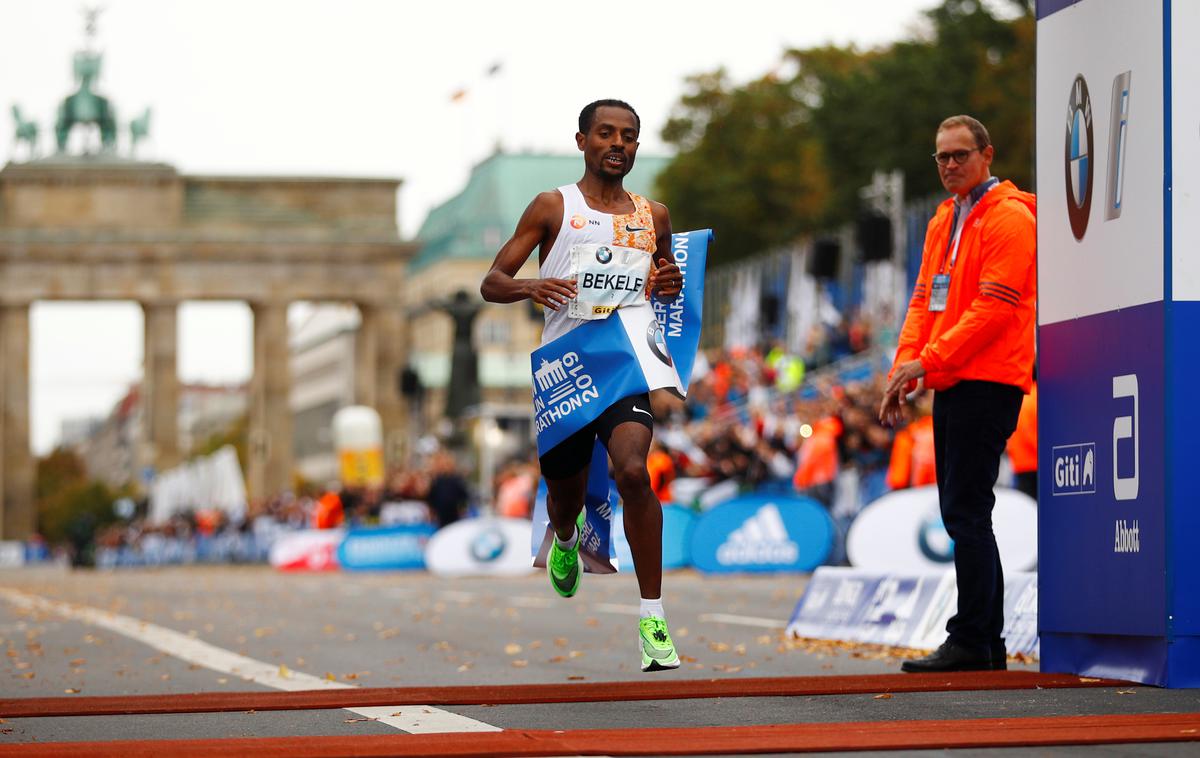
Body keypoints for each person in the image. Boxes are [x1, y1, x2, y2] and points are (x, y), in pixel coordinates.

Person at [481, 98, 685, 672]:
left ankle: (653, 616)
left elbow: (664, 283)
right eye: (605, 134)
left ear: (636, 147)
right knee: (566, 497)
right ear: (582, 141)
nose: (616, 143)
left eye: (627, 136)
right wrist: (530, 288)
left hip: (623, 363)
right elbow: (492, 281)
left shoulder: (655, 215)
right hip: (565, 370)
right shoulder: (553, 206)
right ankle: (567, 536)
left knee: (632, 471)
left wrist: (666, 281)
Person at [879, 115, 1035, 673]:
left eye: (960, 155)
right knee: (962, 512)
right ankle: (982, 642)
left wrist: (931, 359)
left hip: (989, 379)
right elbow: (924, 300)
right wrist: (904, 366)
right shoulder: (944, 218)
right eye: (941, 157)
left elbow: (995, 308)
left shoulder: (1011, 217)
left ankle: (973, 638)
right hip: (954, 379)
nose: (949, 165)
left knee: (967, 511)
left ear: (987, 155)